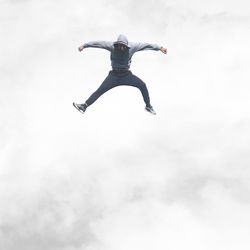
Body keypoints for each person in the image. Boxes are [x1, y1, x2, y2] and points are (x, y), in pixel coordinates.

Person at [73, 34, 167, 115]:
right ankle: (84, 106)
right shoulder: (111, 46)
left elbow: (146, 46)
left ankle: (148, 106)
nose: (121, 48)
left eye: (123, 46)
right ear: (116, 44)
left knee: (142, 85)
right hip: (113, 76)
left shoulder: (133, 47)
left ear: (127, 46)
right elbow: (98, 43)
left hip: (126, 75)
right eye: (119, 46)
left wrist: (160, 48)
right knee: (100, 90)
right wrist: (84, 45)